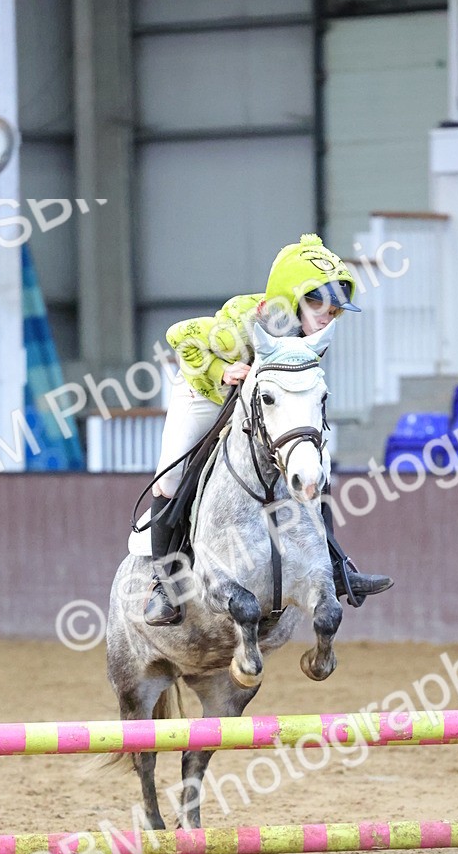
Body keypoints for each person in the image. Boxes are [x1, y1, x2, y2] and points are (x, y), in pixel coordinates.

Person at [142, 233, 393, 626]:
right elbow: (179, 335)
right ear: (292, 298)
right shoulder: (243, 322)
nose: (328, 315)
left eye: (334, 308)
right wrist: (220, 371)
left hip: (263, 403)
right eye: (318, 303)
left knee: (316, 466)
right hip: (204, 392)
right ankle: (165, 585)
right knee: (171, 479)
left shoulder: (310, 337)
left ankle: (335, 566)